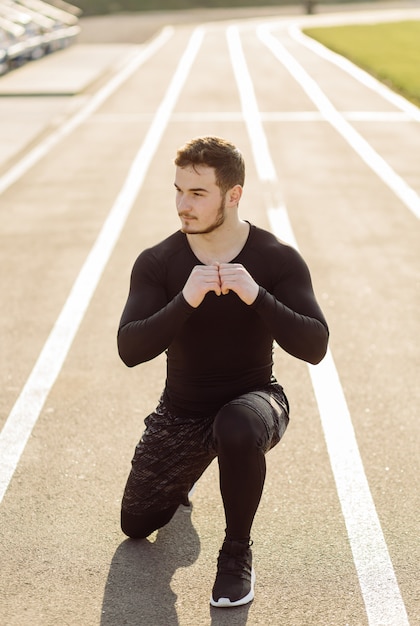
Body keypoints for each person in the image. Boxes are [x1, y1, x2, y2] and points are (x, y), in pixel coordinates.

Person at [117, 136, 329, 608]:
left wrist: (257, 295)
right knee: (136, 524)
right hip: (181, 412)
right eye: (177, 191)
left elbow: (315, 345)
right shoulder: (159, 263)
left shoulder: (276, 258)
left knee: (234, 425)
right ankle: (190, 470)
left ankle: (235, 555)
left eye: (197, 194)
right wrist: (185, 300)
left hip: (256, 401)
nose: (182, 206)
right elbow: (130, 349)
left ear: (233, 196)